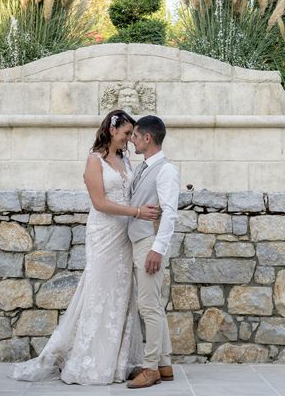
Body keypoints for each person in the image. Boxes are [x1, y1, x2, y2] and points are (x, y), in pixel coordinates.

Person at [10, 109, 160, 385]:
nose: (129, 138)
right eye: (127, 133)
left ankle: (119, 360)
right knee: (99, 290)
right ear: (112, 130)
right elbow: (100, 203)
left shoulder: (124, 158)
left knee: (121, 293)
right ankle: (91, 359)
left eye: (132, 134)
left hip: (124, 235)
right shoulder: (94, 161)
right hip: (104, 234)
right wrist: (137, 212)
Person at [125, 115, 180, 389]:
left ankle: (150, 369)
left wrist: (157, 249)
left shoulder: (167, 170)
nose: (131, 139)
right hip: (140, 241)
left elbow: (170, 213)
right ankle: (165, 363)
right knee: (154, 305)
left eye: (135, 135)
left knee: (148, 307)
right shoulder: (142, 168)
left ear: (147, 138)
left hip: (150, 242)